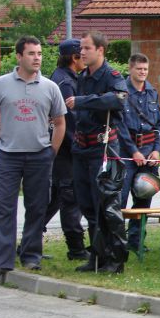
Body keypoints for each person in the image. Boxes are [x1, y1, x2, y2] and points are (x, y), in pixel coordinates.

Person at [0, 36, 66, 286]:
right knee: (4, 208)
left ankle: (31, 256)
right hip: (8, 155)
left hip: (40, 155)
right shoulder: (0, 84)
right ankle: (0, 263)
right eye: (31, 53)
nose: (37, 57)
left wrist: (52, 150)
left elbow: (60, 122)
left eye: (39, 53)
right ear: (19, 56)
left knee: (37, 207)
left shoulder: (50, 87)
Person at [65, 30, 129, 274]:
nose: (82, 52)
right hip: (82, 147)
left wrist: (83, 101)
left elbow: (119, 98)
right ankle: (97, 256)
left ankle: (116, 258)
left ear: (100, 50)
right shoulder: (83, 75)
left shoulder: (111, 75)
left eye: (87, 48)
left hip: (103, 148)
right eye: (81, 48)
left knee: (107, 205)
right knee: (87, 205)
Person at [42, 38, 90, 261]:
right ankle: (76, 248)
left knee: (53, 199)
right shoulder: (65, 83)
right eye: (83, 53)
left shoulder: (65, 78)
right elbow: (69, 122)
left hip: (62, 150)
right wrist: (80, 148)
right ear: (74, 57)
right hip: (66, 151)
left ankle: (30, 241)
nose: (86, 59)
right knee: (70, 197)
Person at [119, 53, 160, 252]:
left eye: (145, 69)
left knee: (143, 200)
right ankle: (117, 242)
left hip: (148, 154)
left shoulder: (152, 93)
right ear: (130, 69)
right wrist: (133, 152)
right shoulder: (121, 93)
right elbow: (119, 126)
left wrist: (156, 151)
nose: (142, 72)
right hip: (127, 154)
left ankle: (136, 241)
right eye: (139, 69)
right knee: (119, 200)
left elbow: (159, 126)